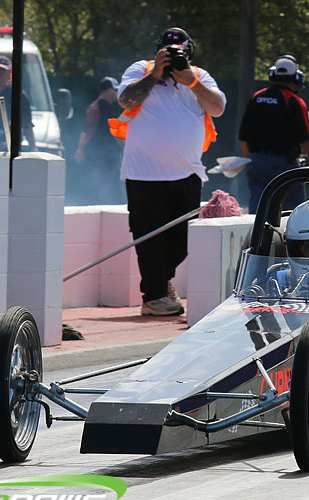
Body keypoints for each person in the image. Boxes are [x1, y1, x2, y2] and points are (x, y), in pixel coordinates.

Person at [117, 27, 225, 315]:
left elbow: (217, 108)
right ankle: (153, 296)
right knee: (149, 237)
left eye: (180, 53)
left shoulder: (199, 76)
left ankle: (162, 283)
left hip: (187, 173)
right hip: (143, 174)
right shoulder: (141, 70)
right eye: (168, 52)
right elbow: (126, 100)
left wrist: (191, 81)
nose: (174, 58)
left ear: (189, 55)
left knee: (183, 240)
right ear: (158, 52)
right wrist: (155, 75)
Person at [239, 55, 309, 214]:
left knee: (258, 212)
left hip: (255, 162)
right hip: (284, 167)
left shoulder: (257, 97)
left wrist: (251, 161)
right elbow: (307, 141)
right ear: (296, 77)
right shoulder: (294, 101)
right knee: (293, 214)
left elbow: (243, 138)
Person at [74, 76, 123, 204]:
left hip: (92, 155)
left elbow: (84, 130)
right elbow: (114, 131)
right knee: (112, 193)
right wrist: (124, 148)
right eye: (115, 90)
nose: (116, 93)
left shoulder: (93, 106)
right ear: (107, 90)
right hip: (106, 157)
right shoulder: (105, 107)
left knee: (94, 187)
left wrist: (80, 149)